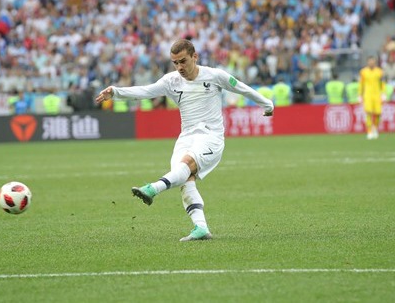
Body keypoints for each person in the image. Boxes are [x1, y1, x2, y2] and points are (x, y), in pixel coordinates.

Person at [95, 39, 274, 241]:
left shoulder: (215, 76)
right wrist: (116, 92)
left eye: (183, 61)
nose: (179, 67)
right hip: (186, 136)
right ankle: (201, 228)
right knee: (184, 180)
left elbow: (242, 88)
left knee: (186, 164)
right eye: (175, 62)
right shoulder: (171, 81)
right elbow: (145, 91)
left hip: (210, 136)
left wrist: (267, 104)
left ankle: (152, 189)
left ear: (194, 57)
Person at [359, 56, 385, 139]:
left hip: (377, 94)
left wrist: (384, 93)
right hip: (367, 94)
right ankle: (369, 131)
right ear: (367, 62)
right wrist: (360, 94)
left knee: (378, 113)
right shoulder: (363, 72)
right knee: (368, 112)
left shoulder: (379, 71)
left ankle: (375, 128)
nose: (371, 63)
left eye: (373, 61)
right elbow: (361, 84)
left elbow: (382, 83)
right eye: (370, 61)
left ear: (375, 62)